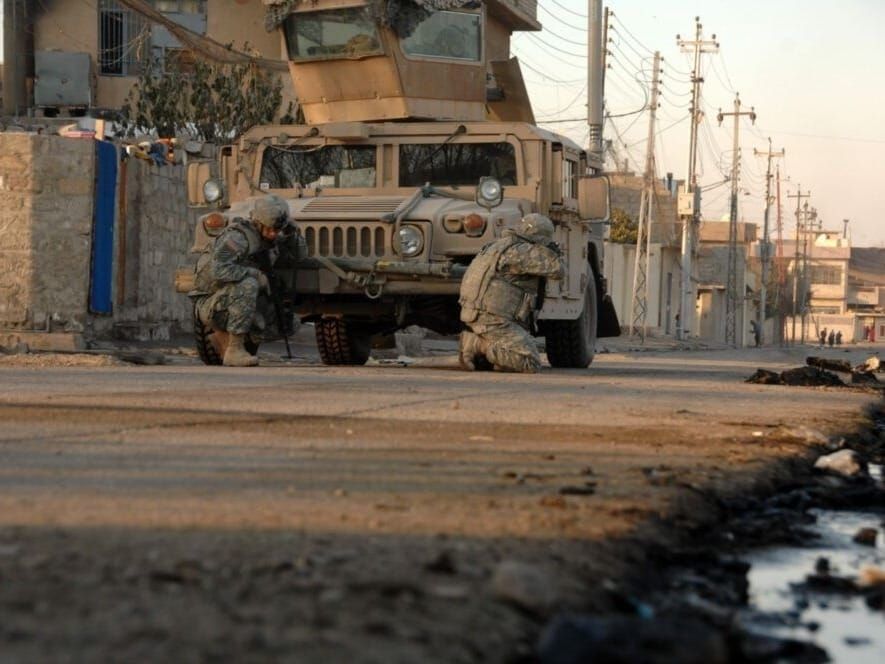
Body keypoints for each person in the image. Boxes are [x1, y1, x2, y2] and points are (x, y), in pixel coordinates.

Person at [191, 195, 303, 367]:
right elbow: (218, 269)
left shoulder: (271, 237)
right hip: (211, 302)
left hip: (234, 298)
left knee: (288, 323)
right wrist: (255, 275)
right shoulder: (238, 238)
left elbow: (300, 256)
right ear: (258, 223)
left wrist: (292, 236)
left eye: (277, 230)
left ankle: (228, 339)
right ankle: (233, 350)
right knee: (249, 284)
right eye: (269, 229)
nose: (273, 234)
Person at [458, 213, 564, 373]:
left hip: (479, 315)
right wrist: (553, 252)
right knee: (529, 361)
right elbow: (558, 270)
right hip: (493, 320)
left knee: (502, 359)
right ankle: (477, 344)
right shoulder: (521, 251)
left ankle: (484, 348)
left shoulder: (496, 246)